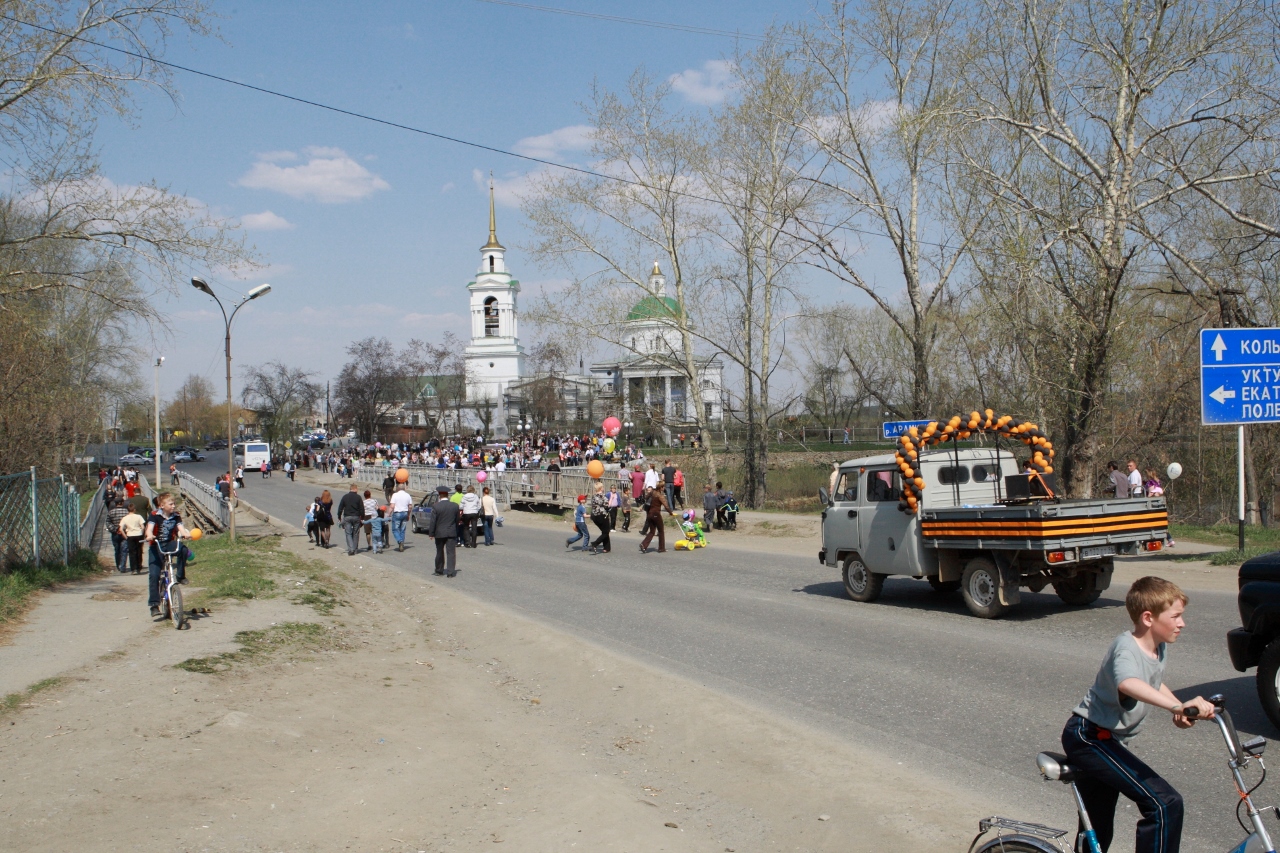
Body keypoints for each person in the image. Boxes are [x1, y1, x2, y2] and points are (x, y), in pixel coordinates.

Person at [1061, 576, 1214, 853]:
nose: (1182, 623)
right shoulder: (1126, 647)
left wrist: (1180, 707)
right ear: (1148, 618)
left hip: (1107, 739)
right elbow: (1128, 683)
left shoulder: (1157, 646)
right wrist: (1174, 707)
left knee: (1097, 829)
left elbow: (1151, 681)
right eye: (1176, 616)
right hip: (1088, 737)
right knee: (1164, 804)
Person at [144, 491, 190, 617]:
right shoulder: (154, 515)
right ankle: (154, 605)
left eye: (174, 503)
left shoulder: (176, 516)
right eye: (171, 504)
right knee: (154, 575)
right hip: (156, 546)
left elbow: (180, 528)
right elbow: (149, 529)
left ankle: (180, 575)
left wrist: (185, 534)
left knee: (183, 550)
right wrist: (149, 535)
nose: (173, 506)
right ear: (162, 506)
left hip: (169, 543)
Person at [426, 485, 460, 577]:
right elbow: (457, 519)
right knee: (451, 553)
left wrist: (431, 533)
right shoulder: (455, 506)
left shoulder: (436, 506)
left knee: (439, 552)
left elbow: (433, 521)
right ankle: (450, 572)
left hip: (439, 532)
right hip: (451, 532)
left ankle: (439, 570)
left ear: (440, 495)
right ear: (447, 495)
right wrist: (454, 528)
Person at [640, 486, 674, 553]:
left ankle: (644, 544)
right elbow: (666, 505)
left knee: (652, 531)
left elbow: (646, 498)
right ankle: (661, 548)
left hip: (649, 514)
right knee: (661, 531)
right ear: (661, 488)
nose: (664, 488)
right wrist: (670, 512)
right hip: (656, 514)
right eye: (663, 487)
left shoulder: (652, 493)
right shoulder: (659, 495)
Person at [336, 484, 365, 556]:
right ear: (355, 489)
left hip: (347, 517)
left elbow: (340, 508)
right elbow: (362, 508)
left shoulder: (345, 497)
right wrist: (362, 518)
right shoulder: (358, 497)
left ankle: (351, 549)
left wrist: (339, 516)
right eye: (357, 489)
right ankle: (355, 549)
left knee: (348, 533)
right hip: (356, 517)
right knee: (356, 533)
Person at [119, 502, 146, 574]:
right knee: (139, 551)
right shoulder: (139, 516)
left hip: (130, 535)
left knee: (132, 552)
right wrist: (142, 533)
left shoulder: (125, 518)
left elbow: (121, 529)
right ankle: (138, 567)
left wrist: (125, 537)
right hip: (138, 534)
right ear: (134, 510)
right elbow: (143, 527)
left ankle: (133, 568)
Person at [106, 498, 130, 572]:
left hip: (115, 534)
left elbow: (108, 523)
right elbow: (129, 522)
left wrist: (115, 529)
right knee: (124, 550)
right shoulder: (126, 512)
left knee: (117, 550)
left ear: (115, 503)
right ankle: (123, 565)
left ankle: (118, 565)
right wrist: (123, 529)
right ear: (122, 503)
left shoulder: (111, 512)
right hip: (124, 533)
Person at [388, 481, 413, 552]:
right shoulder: (408, 495)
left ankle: (400, 541)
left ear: (397, 488)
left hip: (397, 513)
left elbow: (392, 506)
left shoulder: (395, 495)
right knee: (402, 529)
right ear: (404, 488)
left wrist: (389, 514)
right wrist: (408, 514)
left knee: (395, 529)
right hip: (405, 513)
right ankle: (402, 543)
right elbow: (410, 507)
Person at [589, 483, 611, 554]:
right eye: (602, 487)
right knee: (606, 532)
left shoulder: (593, 496)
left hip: (594, 516)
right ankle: (595, 543)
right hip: (602, 515)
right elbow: (607, 505)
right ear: (601, 488)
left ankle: (606, 548)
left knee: (604, 531)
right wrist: (611, 501)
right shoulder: (602, 495)